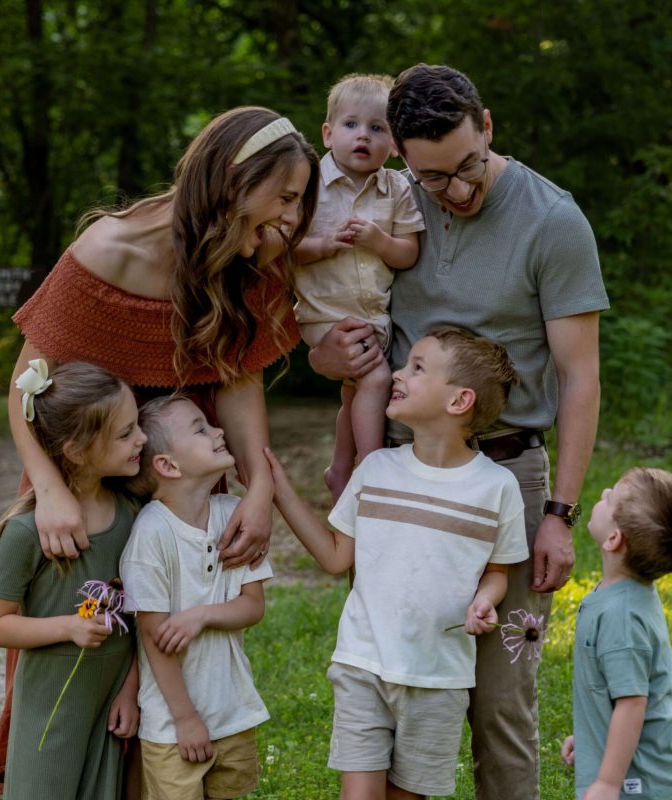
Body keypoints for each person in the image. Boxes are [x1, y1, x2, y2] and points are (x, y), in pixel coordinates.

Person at [0, 106, 318, 796]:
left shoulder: (248, 262)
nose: (292, 220)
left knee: (169, 655)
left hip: (178, 486)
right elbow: (25, 390)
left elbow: (238, 388)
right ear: (234, 181)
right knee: (80, 656)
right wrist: (50, 490)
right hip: (85, 480)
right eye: (284, 198)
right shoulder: (107, 253)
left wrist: (256, 490)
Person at [309, 63, 609, 799]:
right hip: (403, 475)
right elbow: (343, 318)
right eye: (434, 178)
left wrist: (560, 515)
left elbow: (580, 378)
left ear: (488, 127)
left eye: (468, 167)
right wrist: (324, 356)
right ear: (403, 159)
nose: (459, 192)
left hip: (509, 478)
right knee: (397, 671)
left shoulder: (552, 221)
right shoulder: (391, 202)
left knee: (501, 700)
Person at [266, 327, 530, 799]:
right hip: (362, 663)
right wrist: (279, 489)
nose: (398, 374)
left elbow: (497, 571)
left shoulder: (497, 488)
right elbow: (334, 557)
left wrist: (486, 602)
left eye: (418, 368)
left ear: (459, 401)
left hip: (439, 680)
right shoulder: (377, 469)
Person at [0, 360, 145, 800]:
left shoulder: (135, 517)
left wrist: (129, 691)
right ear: (76, 451)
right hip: (49, 710)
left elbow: (142, 621)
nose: (142, 440)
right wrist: (67, 627)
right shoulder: (26, 532)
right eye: (126, 433)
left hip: (109, 706)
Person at [120, 394, 272, 800]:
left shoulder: (234, 514)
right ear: (168, 466)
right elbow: (155, 639)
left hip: (233, 712)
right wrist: (186, 719)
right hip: (173, 725)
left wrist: (200, 615)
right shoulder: (151, 536)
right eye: (200, 428)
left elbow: (253, 606)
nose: (219, 430)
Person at [294, 73, 424, 500]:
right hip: (324, 313)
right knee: (374, 379)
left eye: (377, 127)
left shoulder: (397, 188)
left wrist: (379, 241)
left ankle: (339, 468)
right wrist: (323, 245)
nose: (363, 136)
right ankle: (371, 470)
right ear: (328, 134)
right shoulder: (308, 185)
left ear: (395, 144)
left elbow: (408, 253)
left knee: (355, 390)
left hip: (373, 313)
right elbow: (284, 248)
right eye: (351, 125)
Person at [561, 467, 672, 800]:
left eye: (610, 499)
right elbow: (619, 686)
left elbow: (632, 704)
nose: (604, 491)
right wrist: (593, 734)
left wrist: (608, 782)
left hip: (637, 784)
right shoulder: (622, 595)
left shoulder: (620, 617)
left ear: (614, 539)